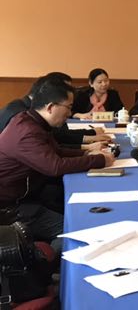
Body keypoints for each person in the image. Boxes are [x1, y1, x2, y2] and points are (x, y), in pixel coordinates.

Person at [0, 80, 114, 251]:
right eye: (68, 107)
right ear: (51, 107)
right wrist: (99, 160)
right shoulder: (27, 131)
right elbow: (55, 166)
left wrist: (86, 154)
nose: (70, 113)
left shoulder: (32, 121)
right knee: (73, 231)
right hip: (11, 208)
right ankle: (46, 262)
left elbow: (56, 151)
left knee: (73, 212)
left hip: (26, 197)